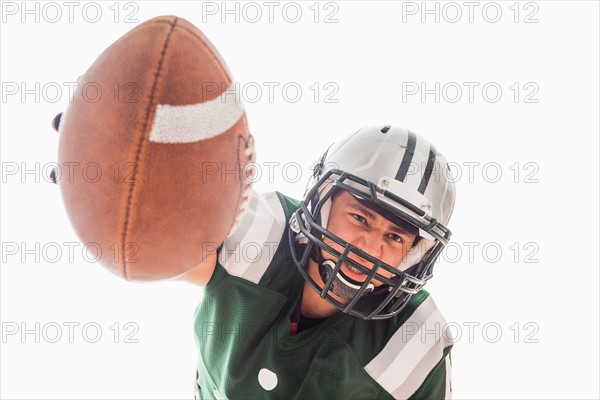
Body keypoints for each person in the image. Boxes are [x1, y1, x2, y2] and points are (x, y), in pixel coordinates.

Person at [179, 125, 456, 399]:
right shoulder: (260, 238)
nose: (370, 249)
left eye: (395, 237)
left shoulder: (414, 341)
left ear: (415, 255)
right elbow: (152, 249)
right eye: (359, 218)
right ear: (324, 204)